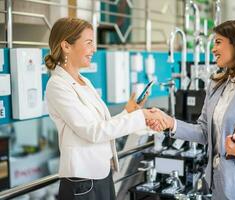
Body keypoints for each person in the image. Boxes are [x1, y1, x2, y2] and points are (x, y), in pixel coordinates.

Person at [147, 20, 235, 200]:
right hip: (217, 187)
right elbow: (203, 131)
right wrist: (170, 123)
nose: (213, 49)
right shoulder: (216, 84)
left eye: (218, 42)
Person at [45, 17, 166, 200]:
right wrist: (140, 117)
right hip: (82, 181)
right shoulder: (57, 86)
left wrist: (128, 112)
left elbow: (102, 125)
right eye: (89, 43)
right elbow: (93, 132)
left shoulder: (84, 81)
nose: (94, 49)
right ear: (66, 46)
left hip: (102, 174)